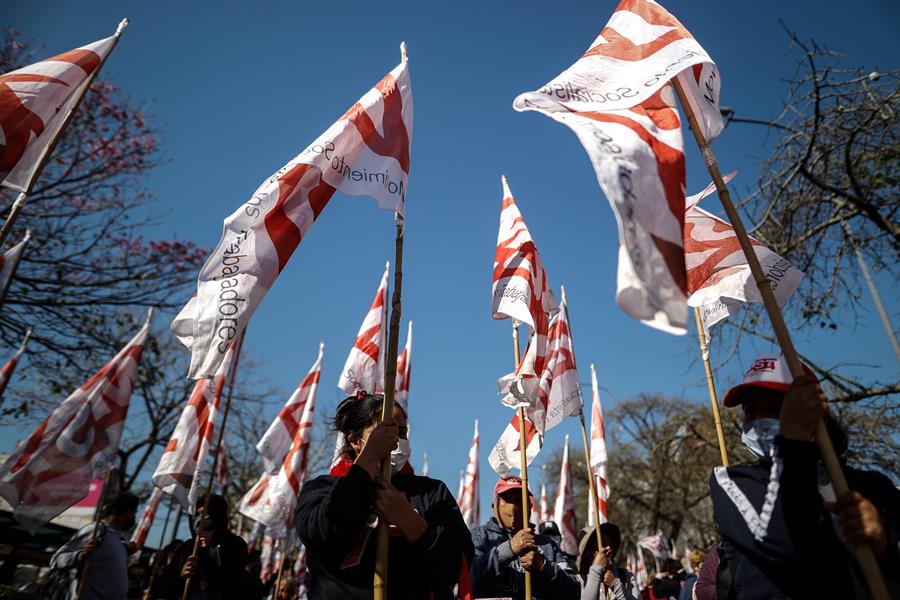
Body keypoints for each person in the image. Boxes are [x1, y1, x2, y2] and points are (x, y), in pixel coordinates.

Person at [710, 355, 900, 599]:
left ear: (816, 410)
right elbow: (781, 542)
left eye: (777, 408)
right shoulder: (732, 481)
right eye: (750, 410)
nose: (759, 420)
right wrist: (792, 442)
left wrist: (884, 542)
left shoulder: (871, 486)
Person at [295, 392, 473, 599]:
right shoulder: (321, 489)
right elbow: (322, 533)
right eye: (384, 431)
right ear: (355, 441)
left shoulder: (431, 492)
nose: (395, 439)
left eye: (402, 432)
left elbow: (457, 565)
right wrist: (369, 459)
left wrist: (410, 521)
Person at [470, 476, 580, 599]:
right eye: (507, 499)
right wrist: (508, 550)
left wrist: (544, 566)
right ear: (494, 505)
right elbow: (469, 578)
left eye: (519, 500)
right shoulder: (480, 536)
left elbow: (574, 590)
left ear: (529, 506)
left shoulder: (547, 545)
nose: (513, 506)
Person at [49, 491, 139, 600]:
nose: (134, 517)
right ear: (128, 512)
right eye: (135, 512)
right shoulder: (97, 530)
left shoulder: (118, 539)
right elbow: (56, 560)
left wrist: (126, 552)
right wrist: (81, 555)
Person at [162, 493, 252, 599]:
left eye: (205, 514)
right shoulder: (187, 547)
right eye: (197, 514)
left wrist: (203, 557)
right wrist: (181, 576)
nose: (200, 520)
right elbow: (164, 585)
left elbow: (230, 583)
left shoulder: (235, 545)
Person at [576, 523, 640, 600]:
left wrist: (615, 585)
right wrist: (596, 570)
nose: (609, 548)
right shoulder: (579, 582)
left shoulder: (626, 576)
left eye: (610, 543)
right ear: (588, 553)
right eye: (603, 544)